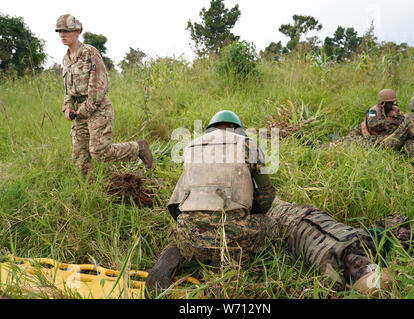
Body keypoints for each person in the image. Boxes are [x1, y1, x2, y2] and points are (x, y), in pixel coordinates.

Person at [144, 110, 276, 297]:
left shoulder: (191, 147)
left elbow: (175, 204)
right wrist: (251, 211)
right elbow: (266, 198)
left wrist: (189, 226)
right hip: (231, 233)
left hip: (190, 234)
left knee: (176, 236)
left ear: (209, 130)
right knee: (270, 225)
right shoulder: (248, 145)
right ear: (238, 130)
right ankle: (223, 264)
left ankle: (172, 254)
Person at [55, 14, 153, 176]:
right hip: (78, 112)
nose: (62, 35)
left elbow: (99, 85)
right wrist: (67, 107)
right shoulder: (66, 59)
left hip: (97, 108)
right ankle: (90, 191)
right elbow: (68, 90)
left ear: (78, 31)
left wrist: (84, 109)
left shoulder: (89, 53)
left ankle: (138, 148)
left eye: (66, 31)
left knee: (99, 153)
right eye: (59, 31)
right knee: (79, 156)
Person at [267, 197, 412, 292]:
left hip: (278, 226)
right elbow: (393, 221)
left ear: (350, 283)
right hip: (304, 210)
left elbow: (297, 292)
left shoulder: (333, 279)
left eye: (359, 273)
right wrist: (402, 235)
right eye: (370, 267)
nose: (360, 264)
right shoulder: (370, 242)